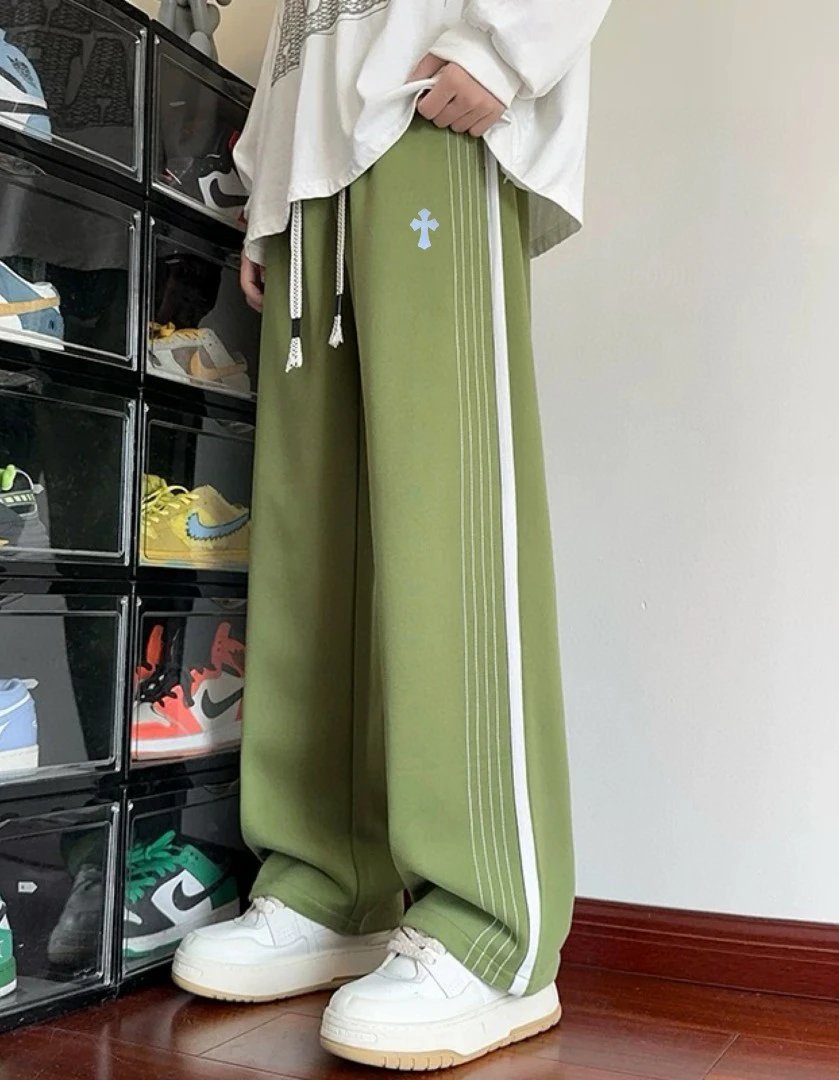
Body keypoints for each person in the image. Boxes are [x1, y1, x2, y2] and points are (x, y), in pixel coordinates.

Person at [172, 0, 612, 1070]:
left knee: (444, 515)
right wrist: (270, 179)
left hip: (432, 100)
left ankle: (493, 924)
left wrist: (507, 43)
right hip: (312, 159)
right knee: (309, 539)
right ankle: (331, 883)